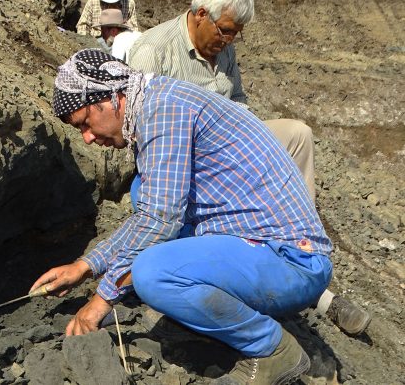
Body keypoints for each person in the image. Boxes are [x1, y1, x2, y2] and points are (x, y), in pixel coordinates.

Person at [31, 49, 333, 385]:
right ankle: (214, 311)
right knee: (143, 191)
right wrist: (84, 266)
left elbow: (160, 223)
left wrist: (100, 300)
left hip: (291, 261)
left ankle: (272, 349)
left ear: (112, 97)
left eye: (85, 123)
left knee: (152, 273)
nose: (87, 137)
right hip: (264, 245)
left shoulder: (163, 112)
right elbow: (153, 215)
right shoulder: (158, 100)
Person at [127, 0, 370, 336]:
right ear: (200, 15)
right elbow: (142, 128)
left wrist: (249, 148)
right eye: (225, 31)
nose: (228, 41)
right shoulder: (153, 51)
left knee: (297, 134)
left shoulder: (223, 47)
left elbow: (238, 102)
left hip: (231, 144)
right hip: (188, 159)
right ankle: (307, 287)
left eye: (235, 34)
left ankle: (295, 240)